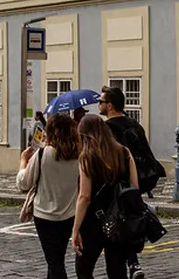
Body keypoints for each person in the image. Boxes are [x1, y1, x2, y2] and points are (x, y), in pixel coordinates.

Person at [100, 85, 164, 279]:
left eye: (101, 102)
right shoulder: (134, 125)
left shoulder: (106, 129)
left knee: (115, 230)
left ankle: (127, 264)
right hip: (134, 185)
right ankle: (133, 261)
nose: (99, 105)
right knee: (129, 221)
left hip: (112, 186)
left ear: (110, 105)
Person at [72, 115, 138, 279]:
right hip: (119, 218)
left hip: (92, 221)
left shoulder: (87, 157)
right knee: (117, 270)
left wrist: (75, 229)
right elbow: (134, 187)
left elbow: (84, 197)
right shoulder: (124, 152)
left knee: (84, 270)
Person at [17, 113, 81, 279]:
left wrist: (23, 161)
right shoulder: (79, 156)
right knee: (56, 257)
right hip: (69, 214)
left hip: (45, 215)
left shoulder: (42, 154)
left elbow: (23, 183)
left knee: (54, 262)